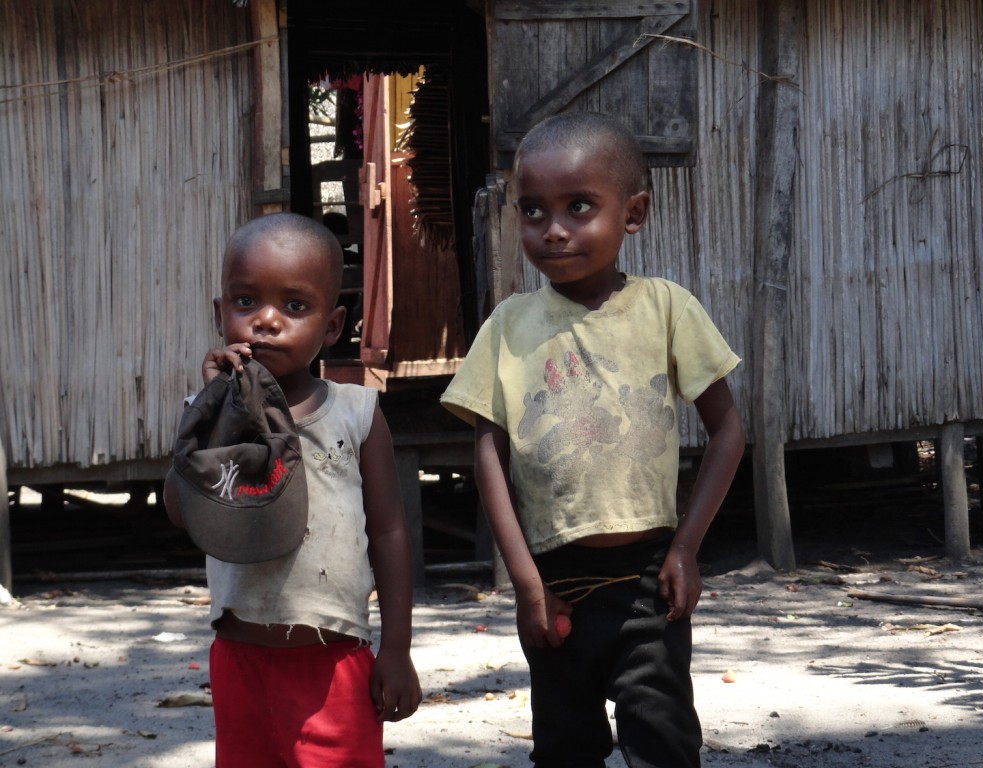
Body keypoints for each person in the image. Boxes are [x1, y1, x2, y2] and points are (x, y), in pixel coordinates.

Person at [440, 112, 744, 768]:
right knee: (564, 746)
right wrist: (524, 585)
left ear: (632, 214)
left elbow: (728, 430)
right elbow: (488, 453)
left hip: (649, 579)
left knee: (662, 740)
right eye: (533, 210)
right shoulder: (509, 325)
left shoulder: (667, 308)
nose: (553, 229)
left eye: (579, 207)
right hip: (554, 582)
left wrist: (687, 548)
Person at [165, 212, 421, 767]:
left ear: (332, 327)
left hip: (333, 663)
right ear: (220, 315)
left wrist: (397, 648)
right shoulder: (206, 415)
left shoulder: (356, 413)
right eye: (245, 302)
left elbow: (390, 531)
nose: (266, 322)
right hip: (239, 659)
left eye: (295, 306)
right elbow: (182, 512)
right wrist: (217, 415)